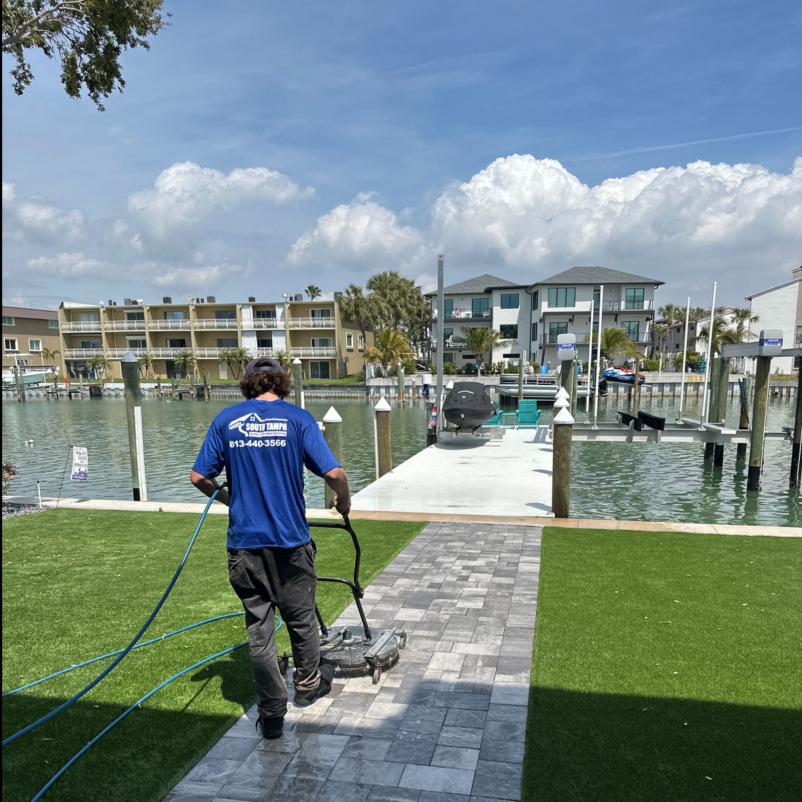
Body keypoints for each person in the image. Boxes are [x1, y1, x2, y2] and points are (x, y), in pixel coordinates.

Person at [190, 357, 351, 739]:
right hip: (290, 542)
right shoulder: (298, 420)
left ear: (248, 384)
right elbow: (334, 473)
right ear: (281, 382)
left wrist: (230, 499)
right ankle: (308, 686)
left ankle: (272, 714)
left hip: (245, 545)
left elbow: (198, 476)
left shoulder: (226, 421)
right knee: (301, 619)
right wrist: (343, 500)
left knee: (259, 629)